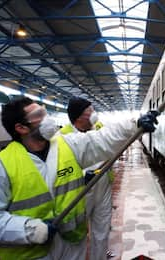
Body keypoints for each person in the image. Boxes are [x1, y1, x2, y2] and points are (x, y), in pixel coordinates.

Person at [0, 97, 159, 260]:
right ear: (21, 128)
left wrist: (134, 125)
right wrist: (28, 229)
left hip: (72, 245)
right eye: (38, 117)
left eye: (44, 112)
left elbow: (101, 139)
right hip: (32, 253)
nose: (46, 119)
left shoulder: (66, 145)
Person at [60, 97, 114, 259]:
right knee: (78, 232)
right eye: (89, 111)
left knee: (102, 229)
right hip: (81, 190)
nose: (93, 114)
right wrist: (83, 175)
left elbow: (111, 145)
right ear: (78, 117)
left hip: (103, 185)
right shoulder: (63, 137)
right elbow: (60, 167)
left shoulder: (98, 128)